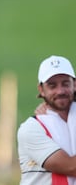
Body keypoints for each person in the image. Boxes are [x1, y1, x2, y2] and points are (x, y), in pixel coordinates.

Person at [17, 55, 76, 184]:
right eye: (52, 85)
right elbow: (71, 167)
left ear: (74, 84)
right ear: (41, 90)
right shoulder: (31, 128)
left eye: (65, 83)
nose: (60, 91)